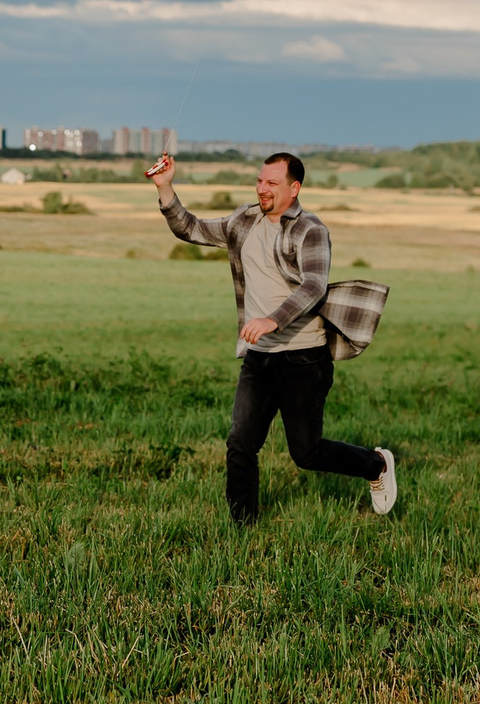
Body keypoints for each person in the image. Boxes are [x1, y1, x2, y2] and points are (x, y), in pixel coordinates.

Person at [149, 151, 396, 525]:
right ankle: (242, 528)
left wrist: (272, 320)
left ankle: (375, 464)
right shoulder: (244, 220)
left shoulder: (310, 230)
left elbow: (314, 286)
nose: (262, 189)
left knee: (307, 454)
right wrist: (165, 188)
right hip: (258, 356)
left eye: (272, 183)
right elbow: (191, 228)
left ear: (294, 188)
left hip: (304, 358)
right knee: (240, 444)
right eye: (260, 181)